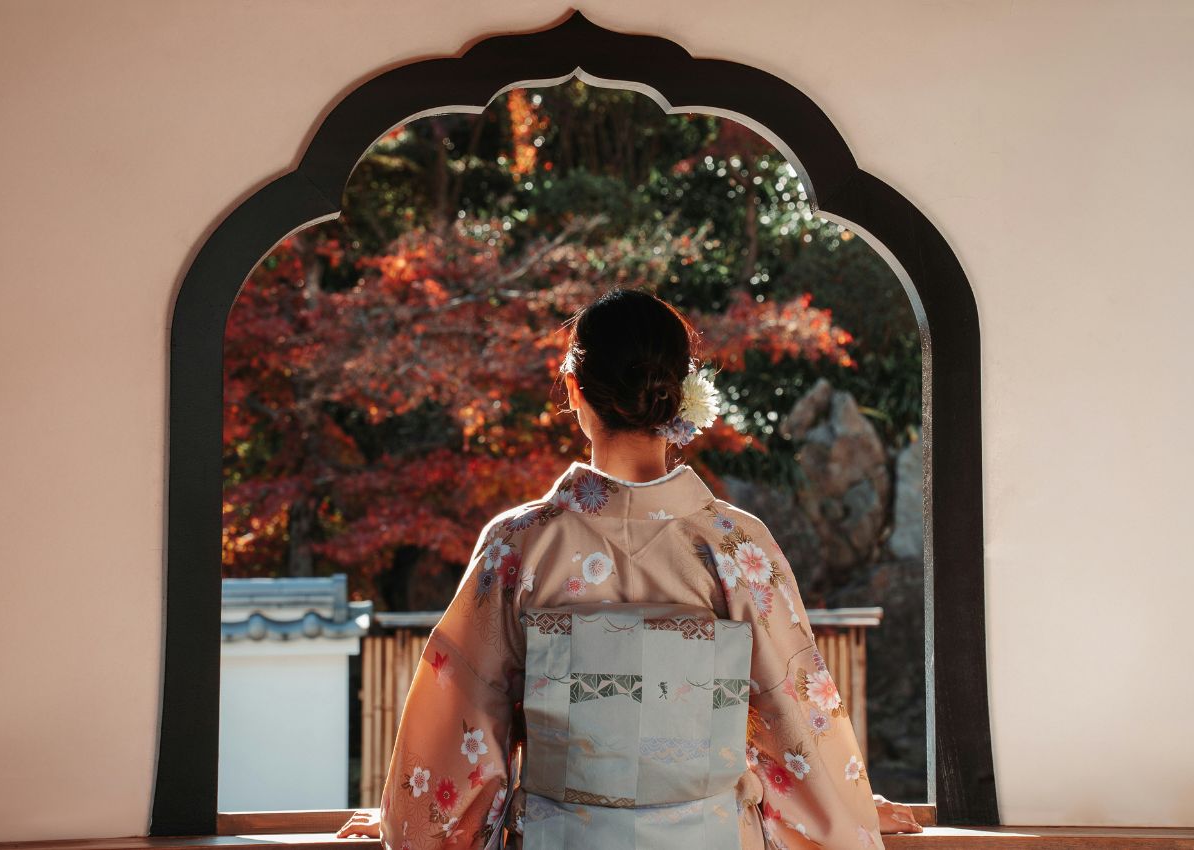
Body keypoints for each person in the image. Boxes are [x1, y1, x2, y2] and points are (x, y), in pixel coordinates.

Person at [337, 287, 923, 848]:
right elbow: (794, 716)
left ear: (574, 387)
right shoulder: (739, 548)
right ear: (678, 395)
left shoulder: (516, 546)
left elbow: (461, 721)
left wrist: (412, 818)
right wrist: (849, 812)